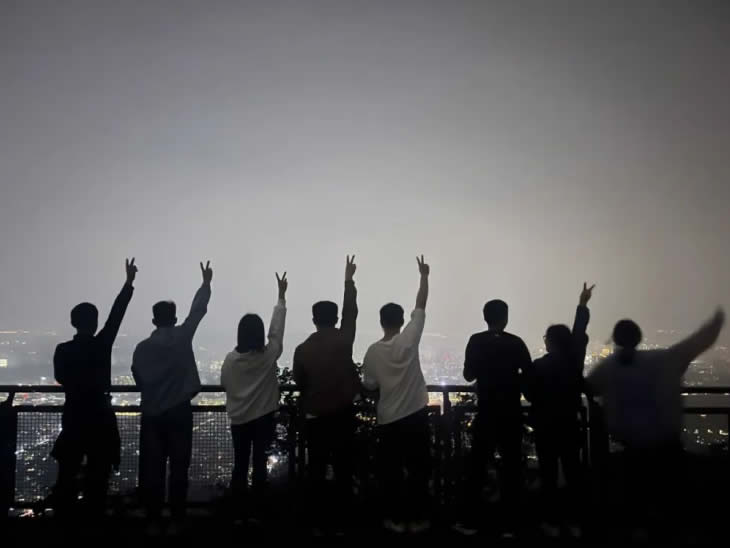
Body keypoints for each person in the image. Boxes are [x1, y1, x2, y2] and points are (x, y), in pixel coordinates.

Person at [586, 307, 725, 539]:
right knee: (668, 505)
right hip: (667, 447)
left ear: (616, 340)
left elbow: (588, 386)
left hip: (632, 450)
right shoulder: (664, 359)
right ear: (638, 337)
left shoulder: (609, 367)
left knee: (636, 506)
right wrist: (717, 319)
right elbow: (699, 341)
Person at [50, 258, 137, 519]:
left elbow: (60, 377)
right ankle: (94, 521)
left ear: (73, 322)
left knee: (67, 474)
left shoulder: (63, 350)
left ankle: (64, 519)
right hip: (100, 417)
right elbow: (117, 315)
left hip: (74, 415)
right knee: (98, 478)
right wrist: (128, 283)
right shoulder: (102, 345)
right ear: (95, 323)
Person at [132, 261, 212, 531]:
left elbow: (139, 378)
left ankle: (153, 518)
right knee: (179, 468)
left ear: (154, 320)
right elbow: (198, 311)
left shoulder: (142, 349)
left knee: (153, 468)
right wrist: (206, 283)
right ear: (174, 319)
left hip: (153, 414)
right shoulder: (182, 336)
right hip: (180, 412)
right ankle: (177, 517)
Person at [362, 255, 432, 534]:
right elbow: (421, 305)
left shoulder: (372, 352)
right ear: (402, 320)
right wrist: (424, 276)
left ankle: (394, 519)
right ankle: (417, 519)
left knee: (390, 472)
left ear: (381, 322)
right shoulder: (409, 338)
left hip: (388, 419)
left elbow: (369, 385)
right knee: (418, 469)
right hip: (416, 414)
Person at [293, 255, 360, 534]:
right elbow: (351, 313)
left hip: (316, 418)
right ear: (335, 319)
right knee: (344, 470)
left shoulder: (302, 349)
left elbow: (299, 380)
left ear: (314, 320)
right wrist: (348, 281)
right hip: (343, 415)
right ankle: (344, 522)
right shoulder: (344, 339)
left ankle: (316, 523)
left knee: (316, 471)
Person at [457, 298, 532, 537]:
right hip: (511, 412)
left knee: (477, 466)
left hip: (487, 411)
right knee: (512, 467)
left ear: (485, 317)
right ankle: (511, 523)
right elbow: (529, 375)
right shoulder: (516, 343)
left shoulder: (476, 341)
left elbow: (468, 375)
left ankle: (471, 521)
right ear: (506, 318)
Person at [528, 283, 594, 538]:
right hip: (569, 424)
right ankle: (576, 521)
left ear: (550, 342)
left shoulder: (538, 366)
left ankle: (551, 521)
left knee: (548, 474)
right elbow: (579, 332)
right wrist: (582, 305)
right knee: (573, 472)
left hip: (545, 427)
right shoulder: (573, 361)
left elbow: (530, 393)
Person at [221, 272, 287, 521]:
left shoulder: (231, 360)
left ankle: (238, 512)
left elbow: (225, 384)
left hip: (239, 421)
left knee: (240, 465)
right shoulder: (268, 355)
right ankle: (259, 512)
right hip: (263, 419)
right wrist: (281, 298)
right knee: (260, 464)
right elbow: (276, 333)